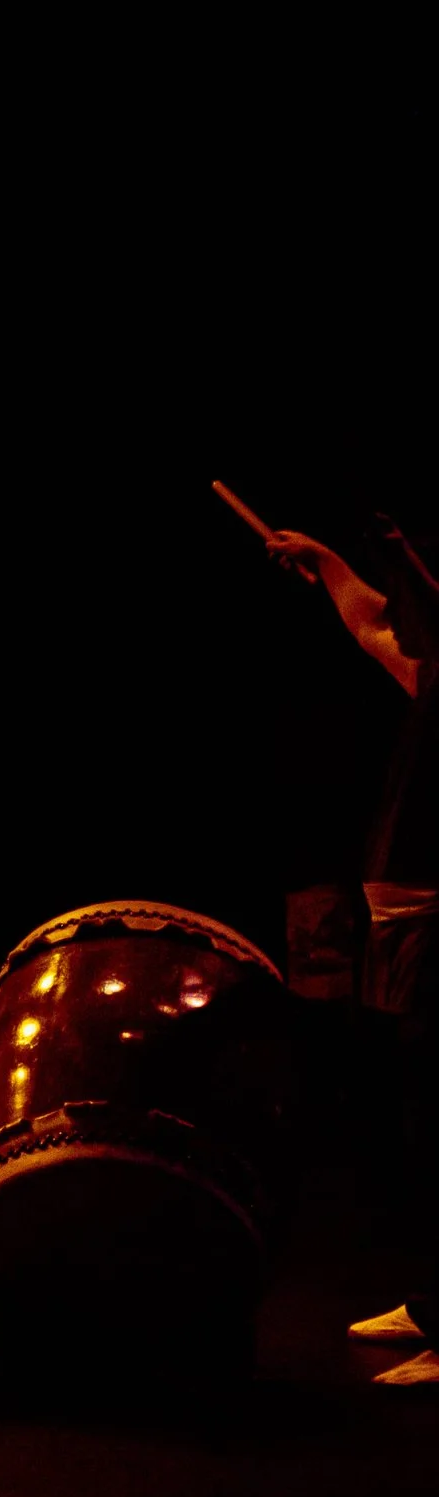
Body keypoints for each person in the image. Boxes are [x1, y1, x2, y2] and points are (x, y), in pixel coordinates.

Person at [265, 520, 439, 1387]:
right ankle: (435, 1302)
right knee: (418, 1117)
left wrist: (399, 561)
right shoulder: (432, 676)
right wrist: (328, 562)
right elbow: (375, 624)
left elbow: (406, 616)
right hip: (406, 927)